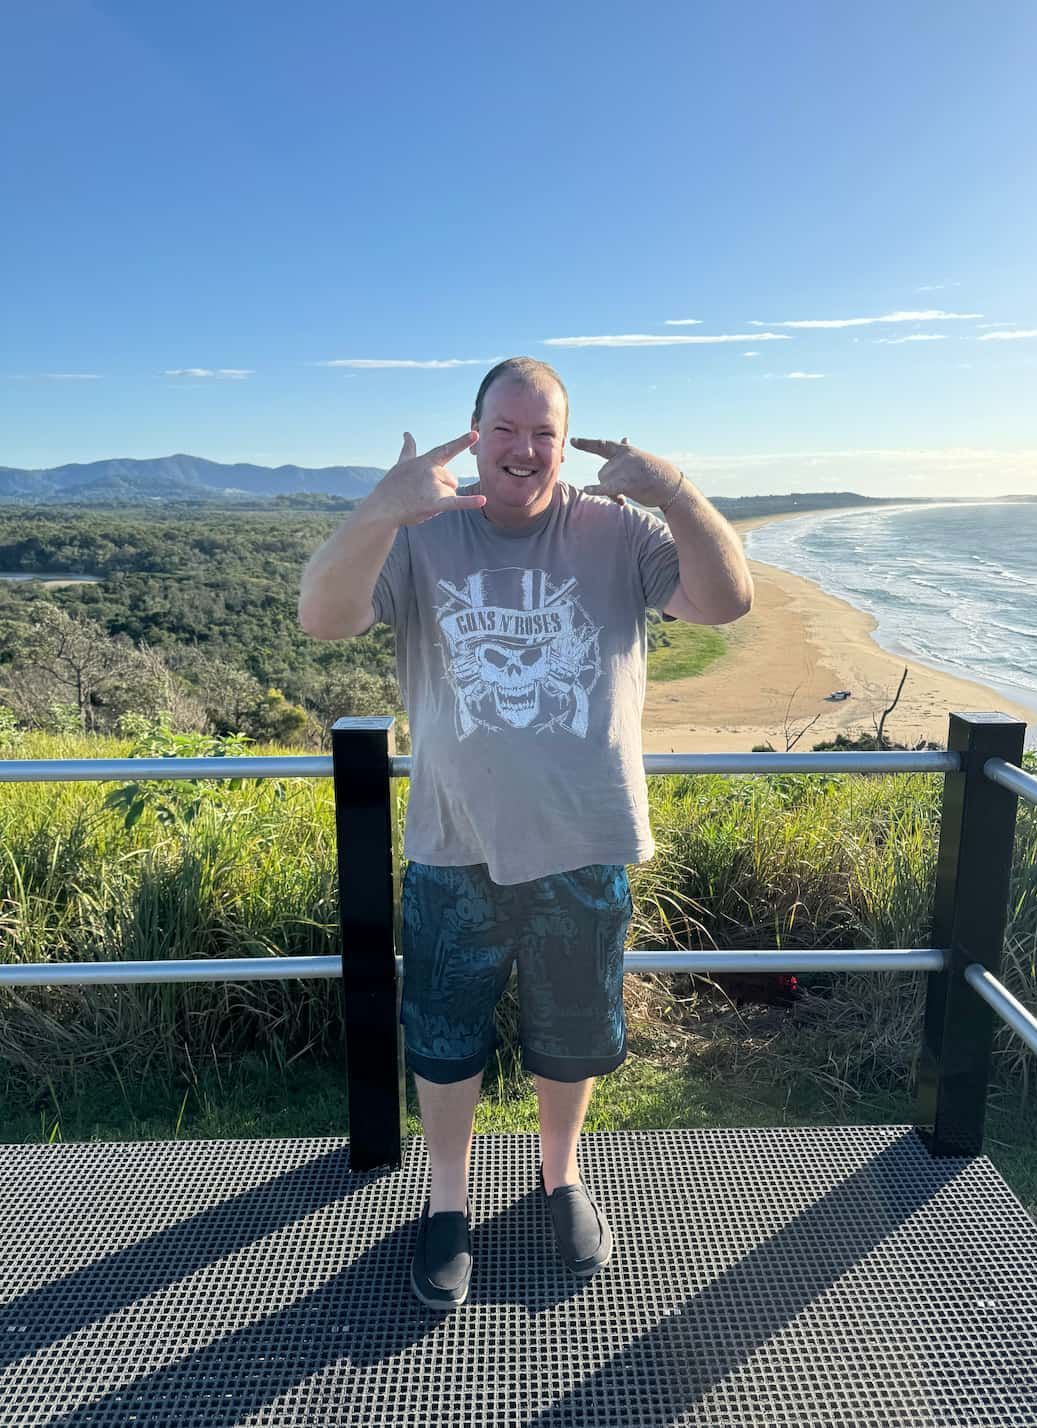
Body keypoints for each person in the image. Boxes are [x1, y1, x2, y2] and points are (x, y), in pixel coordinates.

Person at [298, 356, 753, 1309]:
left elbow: (723, 601)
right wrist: (382, 508)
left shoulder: (618, 531)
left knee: (572, 1033)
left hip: (587, 840)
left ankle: (560, 1179)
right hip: (454, 842)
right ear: (472, 434)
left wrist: (672, 488)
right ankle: (448, 1204)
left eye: (543, 430)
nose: (524, 447)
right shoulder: (426, 535)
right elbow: (322, 617)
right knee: (445, 1037)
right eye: (504, 428)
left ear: (565, 441)